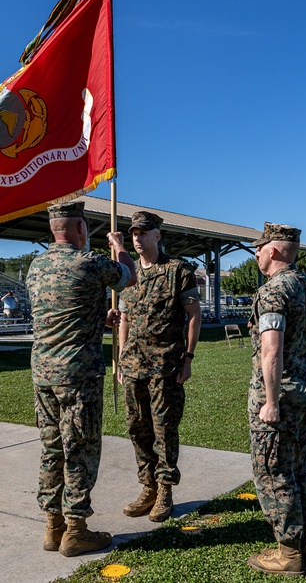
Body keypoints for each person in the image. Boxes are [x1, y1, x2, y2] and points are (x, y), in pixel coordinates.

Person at [26, 201, 136, 557]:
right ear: (80, 229)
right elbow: (127, 276)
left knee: (51, 445)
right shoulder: (88, 262)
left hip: (43, 372)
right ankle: (76, 528)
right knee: (81, 447)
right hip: (78, 373)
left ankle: (52, 525)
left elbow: (59, 308)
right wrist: (120, 248)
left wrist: (95, 318)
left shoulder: (37, 265)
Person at [246, 223, 306, 576]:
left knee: (273, 472)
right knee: (298, 468)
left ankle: (289, 553)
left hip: (281, 393)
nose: (256, 255)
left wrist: (270, 401)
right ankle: (301, 546)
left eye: (258, 249)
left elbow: (271, 350)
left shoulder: (272, 291)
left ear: (271, 250)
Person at [117, 211, 201, 523]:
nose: (137, 238)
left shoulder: (178, 270)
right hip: (134, 366)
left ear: (157, 235)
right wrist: (121, 358)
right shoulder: (128, 273)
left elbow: (194, 315)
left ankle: (165, 489)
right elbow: (124, 317)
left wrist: (188, 358)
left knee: (164, 428)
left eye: (143, 232)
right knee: (138, 428)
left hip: (166, 365)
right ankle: (148, 486)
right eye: (133, 233)